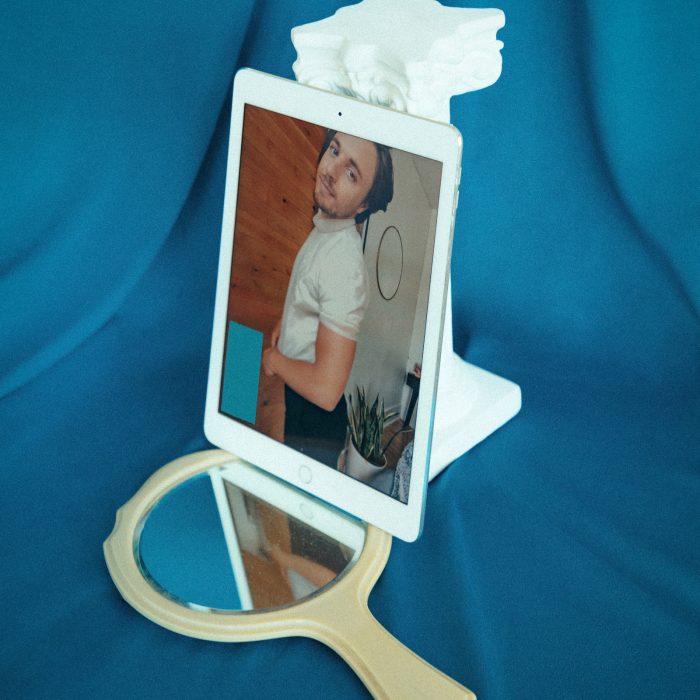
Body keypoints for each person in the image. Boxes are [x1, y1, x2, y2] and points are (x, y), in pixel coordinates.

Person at [262, 130, 393, 461]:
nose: (331, 172)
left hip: (315, 422)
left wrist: (274, 361)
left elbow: (326, 391)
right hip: (298, 392)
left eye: (351, 174)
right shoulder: (324, 226)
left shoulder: (344, 264)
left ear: (363, 204)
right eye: (334, 151)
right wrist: (286, 322)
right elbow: (309, 291)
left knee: (292, 485)